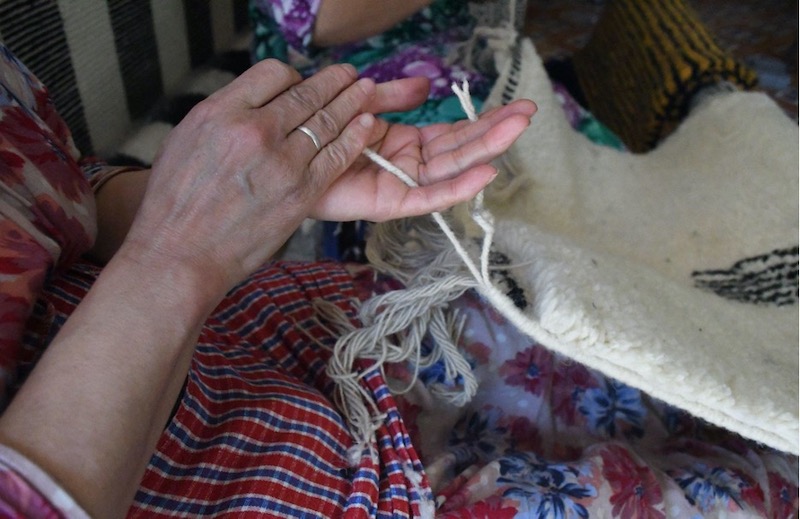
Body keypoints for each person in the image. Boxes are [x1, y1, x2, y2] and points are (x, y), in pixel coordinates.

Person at [0, 40, 536, 517]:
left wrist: (249, 191)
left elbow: (67, 199)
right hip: (244, 482)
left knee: (540, 324)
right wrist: (177, 250)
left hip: (257, 333)